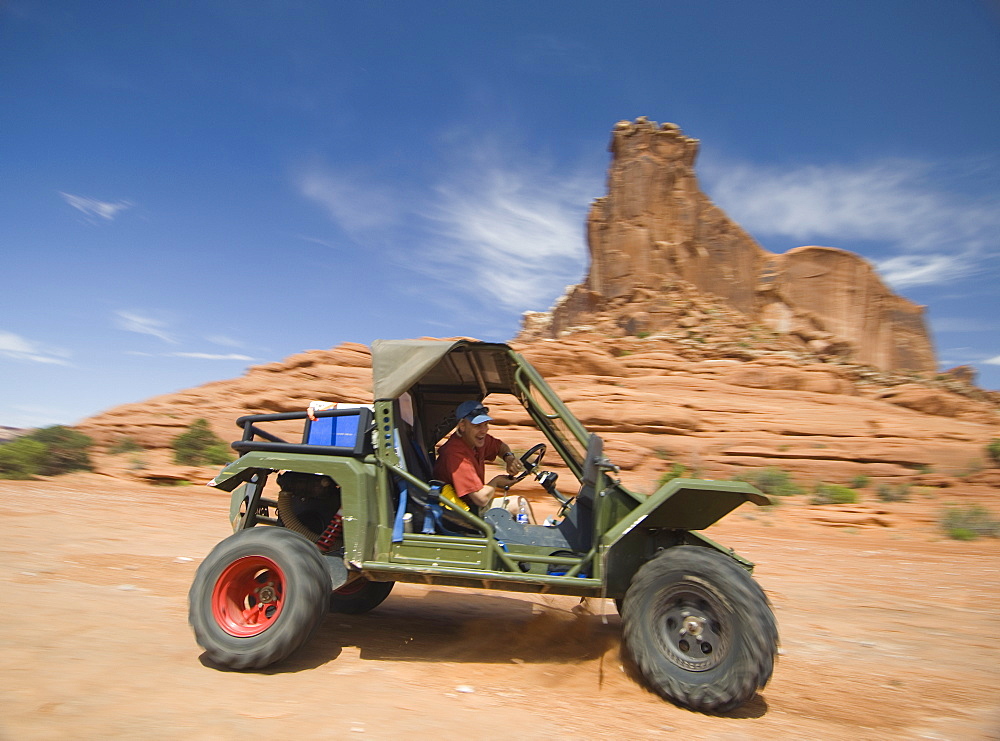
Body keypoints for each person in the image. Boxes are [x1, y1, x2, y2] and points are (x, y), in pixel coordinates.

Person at [432, 400, 535, 522]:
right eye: (477, 426)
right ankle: (538, 541)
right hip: (461, 514)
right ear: (462, 426)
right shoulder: (455, 454)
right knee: (519, 505)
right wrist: (496, 482)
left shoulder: (476, 440)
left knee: (519, 504)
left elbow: (500, 446)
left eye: (485, 424)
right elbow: (481, 499)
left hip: (472, 506)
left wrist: (509, 458)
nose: (484, 430)